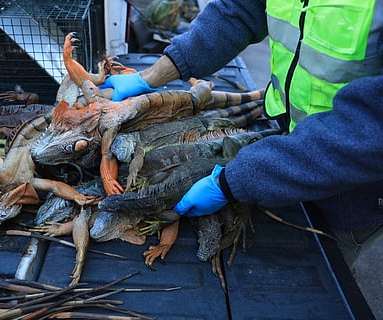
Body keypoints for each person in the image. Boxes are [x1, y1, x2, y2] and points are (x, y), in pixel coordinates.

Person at [101, 0, 383, 273]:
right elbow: (240, 10)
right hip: (280, 150)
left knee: (324, 278)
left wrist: (232, 181)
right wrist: (148, 78)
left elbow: (371, 130)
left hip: (352, 189)